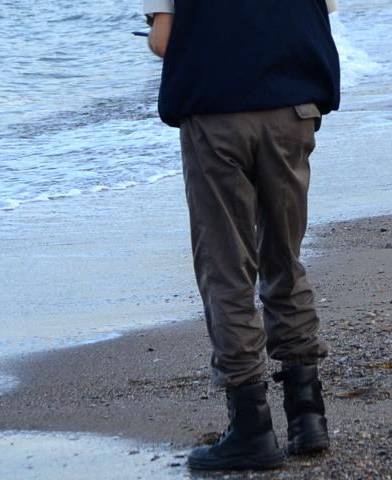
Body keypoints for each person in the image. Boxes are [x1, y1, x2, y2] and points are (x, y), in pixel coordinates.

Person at [143, 0, 340, 471]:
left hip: (218, 113)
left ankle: (251, 427)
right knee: (284, 258)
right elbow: (321, 11)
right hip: (293, 106)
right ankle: (307, 415)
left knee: (226, 267)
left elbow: (164, 41)